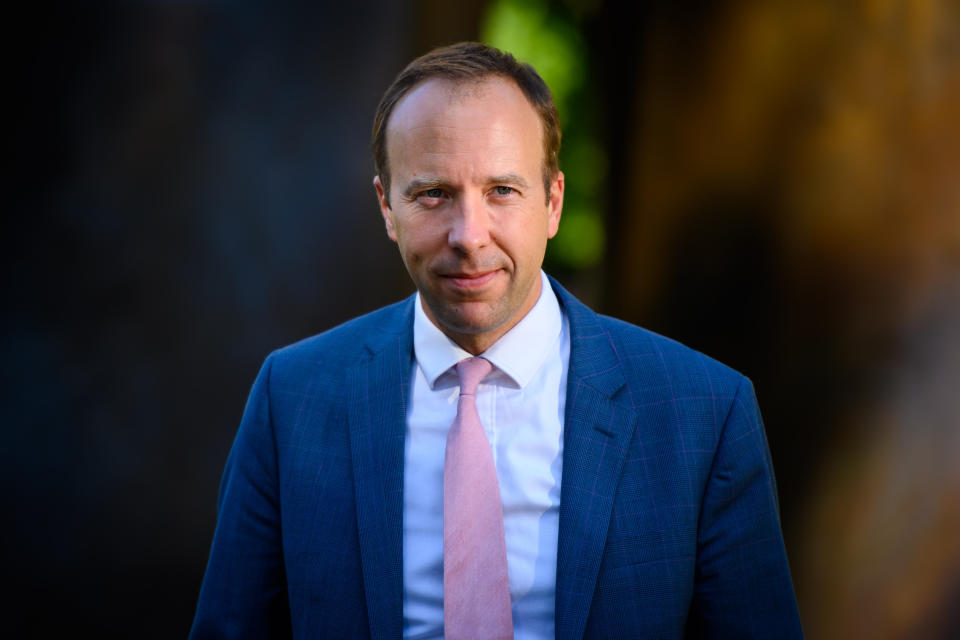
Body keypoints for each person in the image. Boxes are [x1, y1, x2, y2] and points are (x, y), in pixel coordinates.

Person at [190, 42, 803, 639]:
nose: (469, 234)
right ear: (386, 207)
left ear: (553, 202)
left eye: (502, 191)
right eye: (433, 193)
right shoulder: (291, 399)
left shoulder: (706, 411)